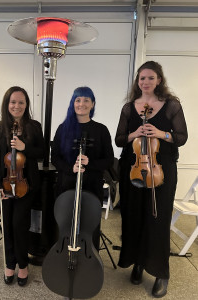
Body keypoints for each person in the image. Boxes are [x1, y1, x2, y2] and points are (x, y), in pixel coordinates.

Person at [115, 61, 188, 298]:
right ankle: (137, 263)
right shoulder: (129, 108)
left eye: (150, 78)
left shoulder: (171, 106)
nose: (145, 82)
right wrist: (134, 134)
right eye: (141, 78)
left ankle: (160, 272)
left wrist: (160, 134)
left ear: (159, 80)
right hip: (134, 169)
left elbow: (181, 137)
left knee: (158, 219)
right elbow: (119, 140)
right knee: (134, 217)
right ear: (138, 82)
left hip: (161, 170)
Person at [51, 86, 114, 250]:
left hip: (92, 186)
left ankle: (90, 258)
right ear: (73, 103)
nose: (82, 104)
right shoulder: (63, 128)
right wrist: (70, 168)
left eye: (86, 100)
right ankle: (64, 257)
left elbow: (108, 160)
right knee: (65, 224)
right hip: (66, 184)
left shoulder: (101, 130)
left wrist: (90, 163)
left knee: (89, 226)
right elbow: (55, 158)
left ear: (92, 104)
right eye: (78, 100)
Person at [0, 86, 44, 286]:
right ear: (7, 104)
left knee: (19, 225)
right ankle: (9, 264)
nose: (17, 106)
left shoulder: (34, 126)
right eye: (13, 102)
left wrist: (25, 147)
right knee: (7, 225)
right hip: (5, 185)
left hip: (25, 184)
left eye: (21, 102)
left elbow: (41, 153)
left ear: (26, 105)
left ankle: (23, 264)